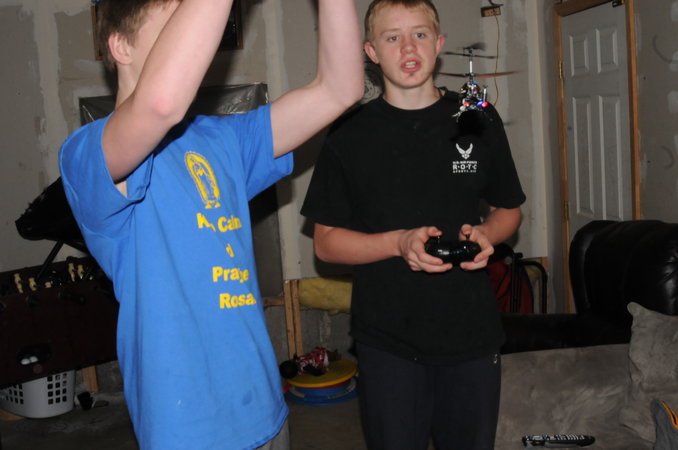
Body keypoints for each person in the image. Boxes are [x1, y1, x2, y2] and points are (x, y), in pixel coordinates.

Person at [58, 0, 363, 448]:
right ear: (120, 46)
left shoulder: (222, 138)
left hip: (265, 408)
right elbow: (161, 103)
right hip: (187, 426)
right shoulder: (88, 152)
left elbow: (341, 89)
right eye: (176, 27)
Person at [300, 0, 525, 448]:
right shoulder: (349, 132)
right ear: (371, 52)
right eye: (392, 37)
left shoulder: (477, 115)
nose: (408, 48)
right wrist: (399, 243)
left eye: (419, 34)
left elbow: (509, 209)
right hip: (388, 338)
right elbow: (326, 244)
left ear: (438, 44)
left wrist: (488, 235)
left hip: (472, 332)